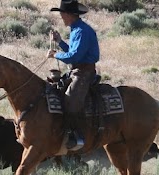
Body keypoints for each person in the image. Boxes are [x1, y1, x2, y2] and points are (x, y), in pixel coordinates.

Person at [47, 0, 99, 150]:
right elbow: (74, 51)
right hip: (77, 71)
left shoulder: (81, 31)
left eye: (62, 14)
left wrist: (55, 55)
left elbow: (74, 56)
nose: (61, 17)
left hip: (84, 72)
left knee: (71, 99)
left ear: (69, 14)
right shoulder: (77, 29)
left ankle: (77, 136)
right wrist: (60, 42)